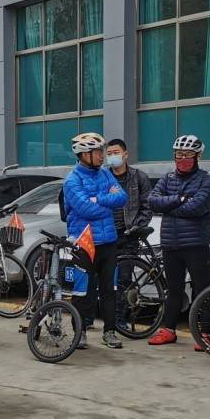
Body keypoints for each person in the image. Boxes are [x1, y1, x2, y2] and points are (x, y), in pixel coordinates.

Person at [146, 135, 210, 346]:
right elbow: (152, 201)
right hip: (171, 243)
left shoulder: (207, 179)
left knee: (202, 288)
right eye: (179, 154)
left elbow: (197, 207)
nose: (183, 158)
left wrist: (168, 207)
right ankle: (169, 329)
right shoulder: (167, 178)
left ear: (198, 156)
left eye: (188, 154)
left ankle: (205, 333)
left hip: (196, 243)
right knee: (174, 289)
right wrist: (179, 199)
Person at [63, 132, 128, 349]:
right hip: (85, 243)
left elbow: (122, 197)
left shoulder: (105, 174)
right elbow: (85, 209)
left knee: (110, 289)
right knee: (83, 291)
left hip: (109, 241)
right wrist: (106, 205)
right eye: (98, 152)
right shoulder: (72, 180)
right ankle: (79, 332)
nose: (102, 156)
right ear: (84, 154)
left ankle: (110, 332)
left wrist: (97, 199)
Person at [104, 138, 152, 241]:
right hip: (107, 233)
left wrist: (137, 228)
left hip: (130, 233)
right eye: (109, 154)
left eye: (116, 153)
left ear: (125, 154)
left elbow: (147, 206)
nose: (112, 156)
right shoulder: (102, 178)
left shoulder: (139, 177)